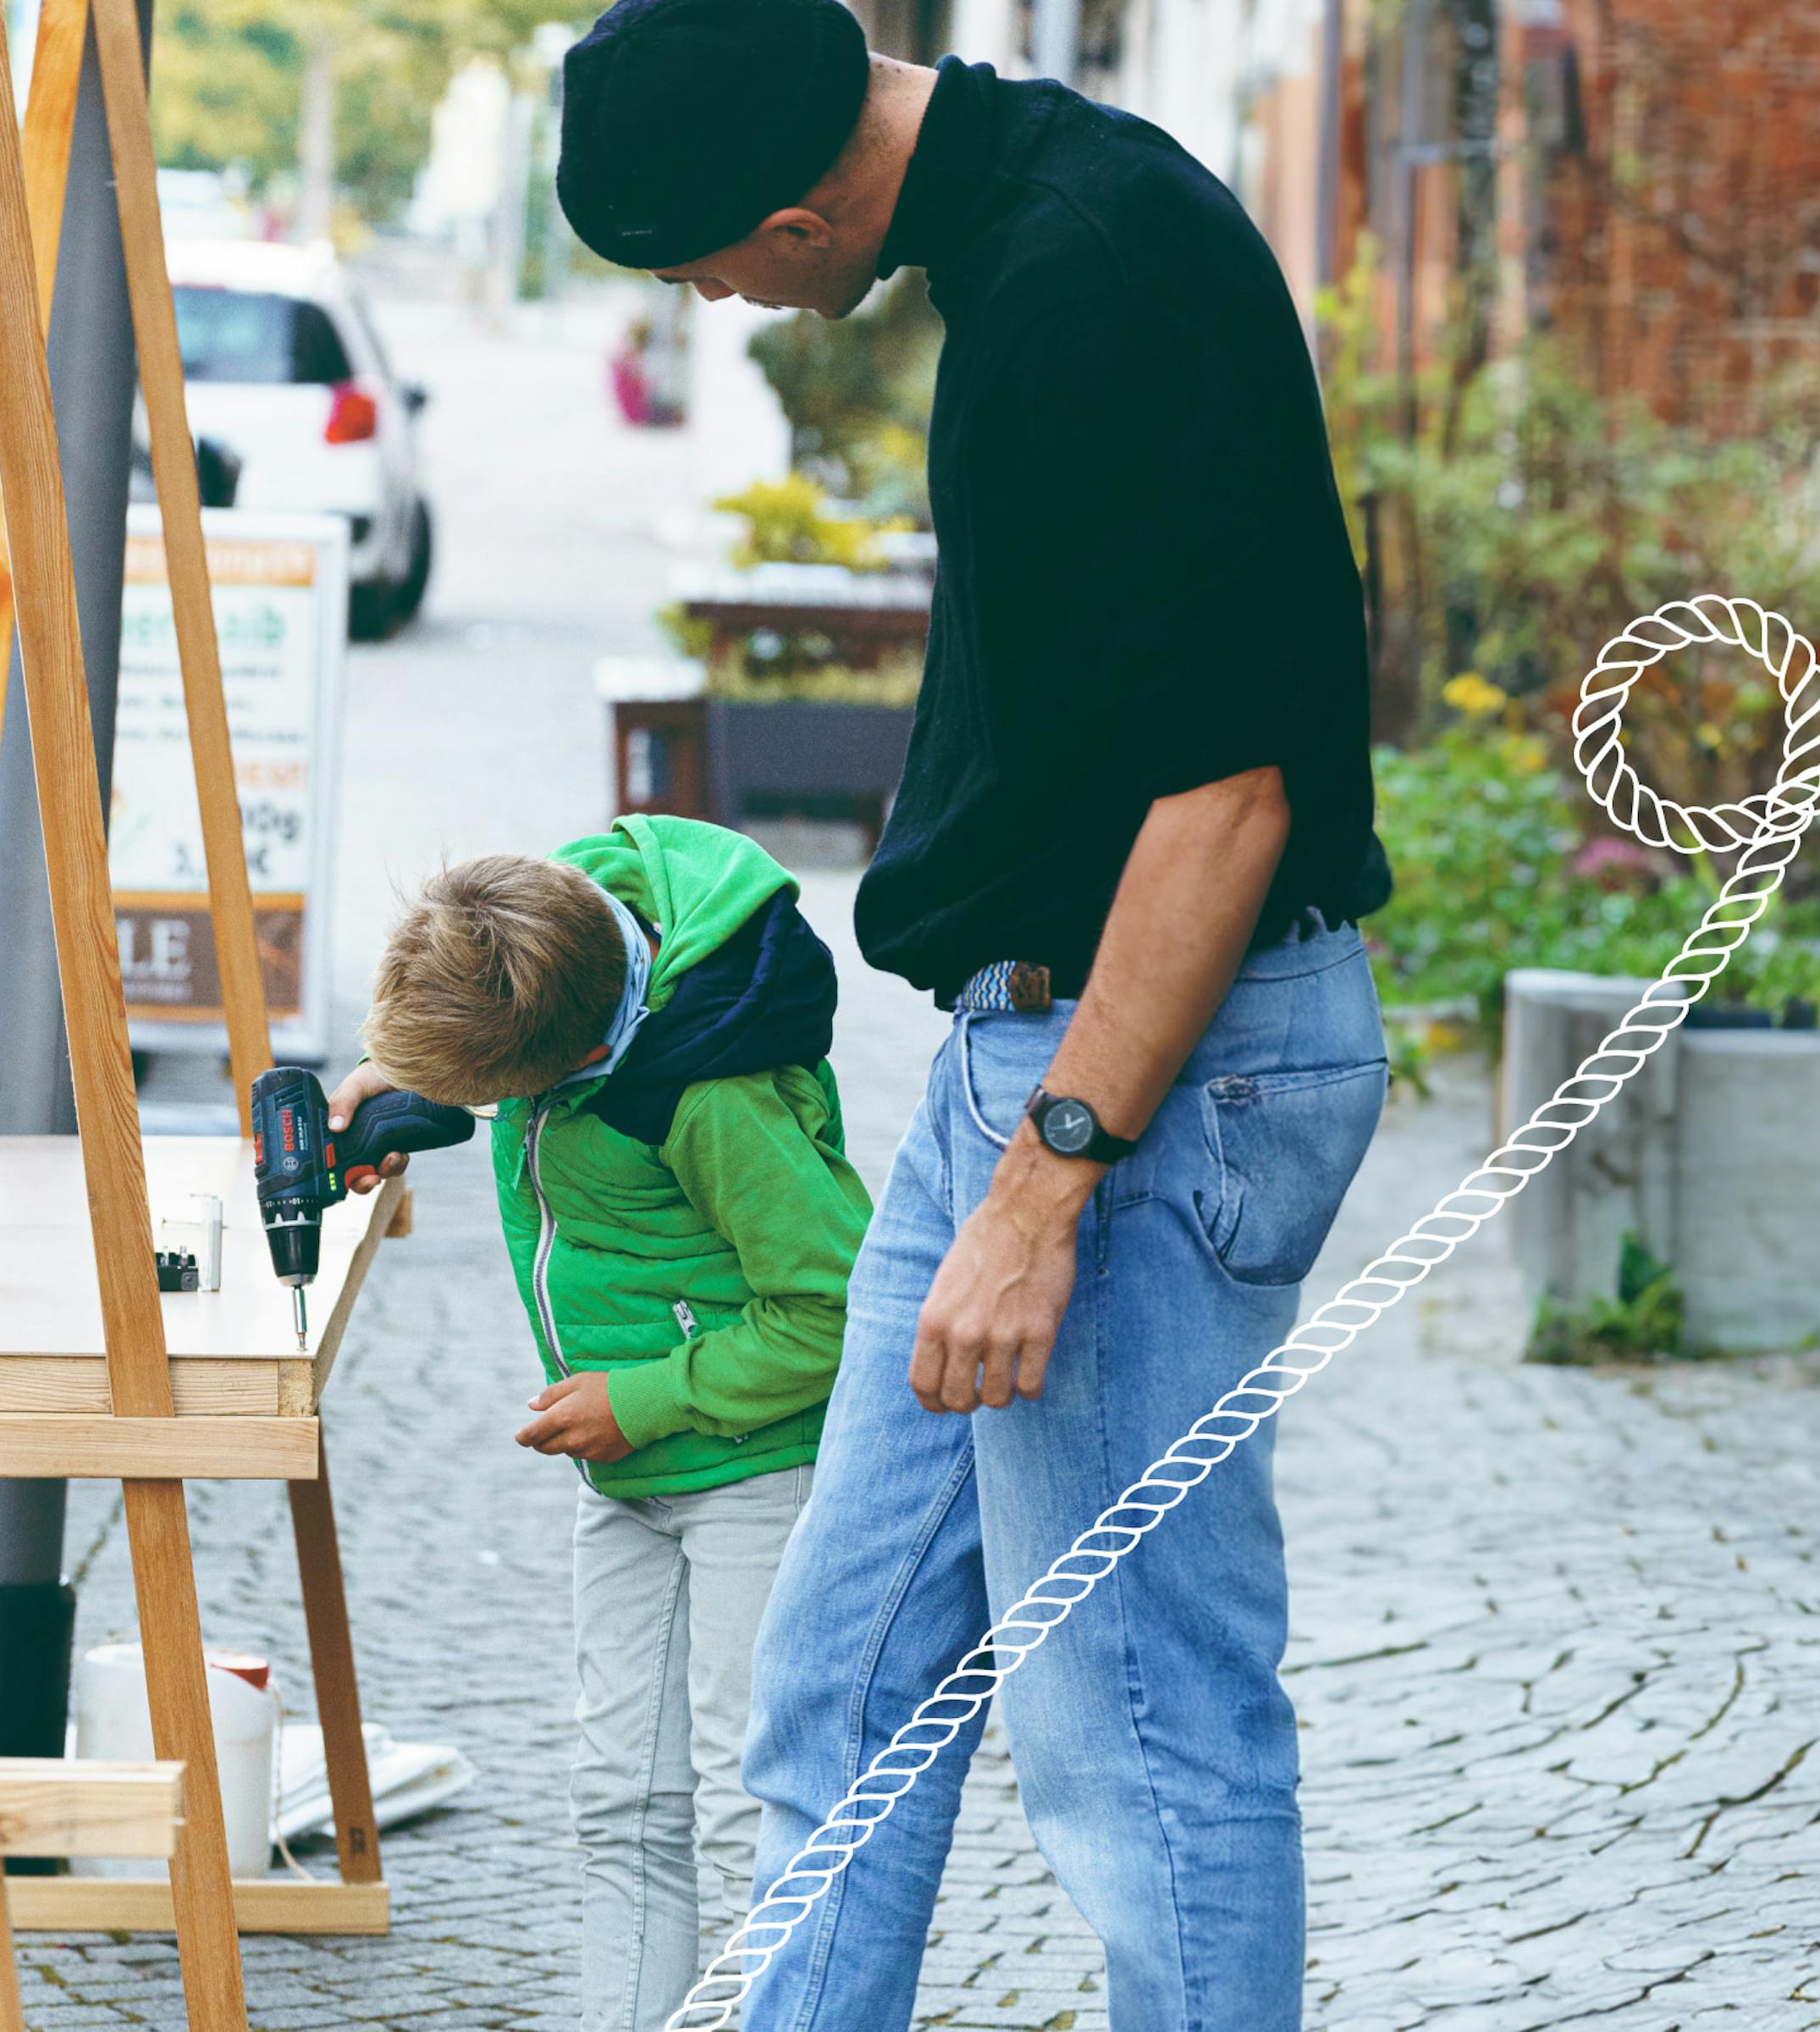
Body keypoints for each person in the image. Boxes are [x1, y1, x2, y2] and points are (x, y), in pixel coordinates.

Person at [553, 4, 1398, 2029]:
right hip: (1020, 1061)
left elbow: (1229, 794)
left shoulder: (1094, 285)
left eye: (707, 262)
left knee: (1144, 1733)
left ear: (790, 211)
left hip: (1141, 1090)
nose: (711, 297)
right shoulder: (1025, 232)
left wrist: (1052, 1187)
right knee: (838, 1689)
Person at [329, 815, 874, 2032]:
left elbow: (836, 1306)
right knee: (618, 1800)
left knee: (757, 1799)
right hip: (626, 1481)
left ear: (575, 1054)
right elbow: (505, 1038)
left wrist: (640, 1400)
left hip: (754, 1472)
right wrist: (410, 1079)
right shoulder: (545, 931)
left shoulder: (710, 1094)